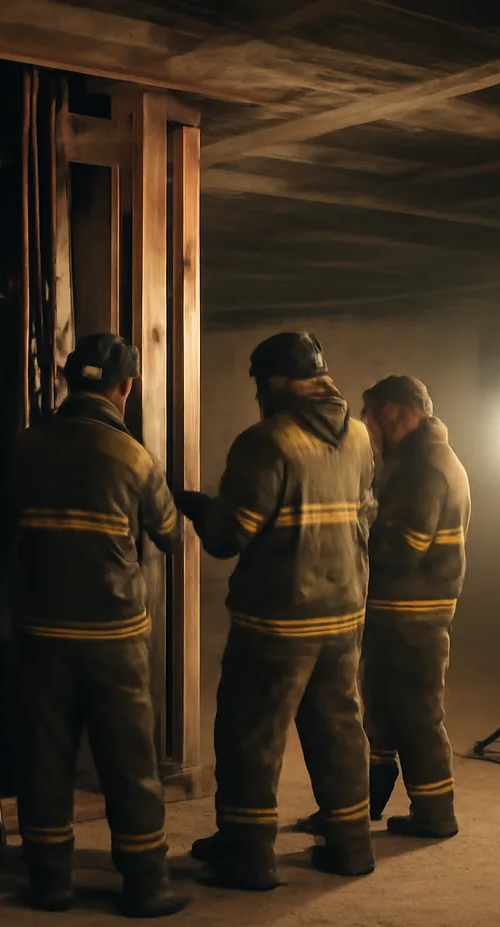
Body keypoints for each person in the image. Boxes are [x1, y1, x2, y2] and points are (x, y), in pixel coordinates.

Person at [179, 331, 376, 889]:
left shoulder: (267, 441)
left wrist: (194, 504)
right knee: (338, 732)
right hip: (343, 616)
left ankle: (247, 854)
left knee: (250, 736)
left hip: (278, 622)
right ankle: (351, 847)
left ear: (272, 384)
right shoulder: (360, 436)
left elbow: (228, 536)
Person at [5, 332, 189, 918]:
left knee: (44, 757)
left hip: (39, 631)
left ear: (69, 382)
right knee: (130, 762)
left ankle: (50, 882)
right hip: (113, 638)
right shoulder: (132, 456)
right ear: (124, 388)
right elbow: (169, 534)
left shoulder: (28, 445)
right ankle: (145, 884)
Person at [359, 375, 471, 838]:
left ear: (392, 415)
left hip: (413, 616)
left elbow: (404, 549)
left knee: (417, 714)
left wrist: (358, 522)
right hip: (404, 613)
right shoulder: (420, 459)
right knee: (387, 708)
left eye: (368, 420)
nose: (365, 432)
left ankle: (435, 814)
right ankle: (369, 802)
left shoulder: (422, 467)